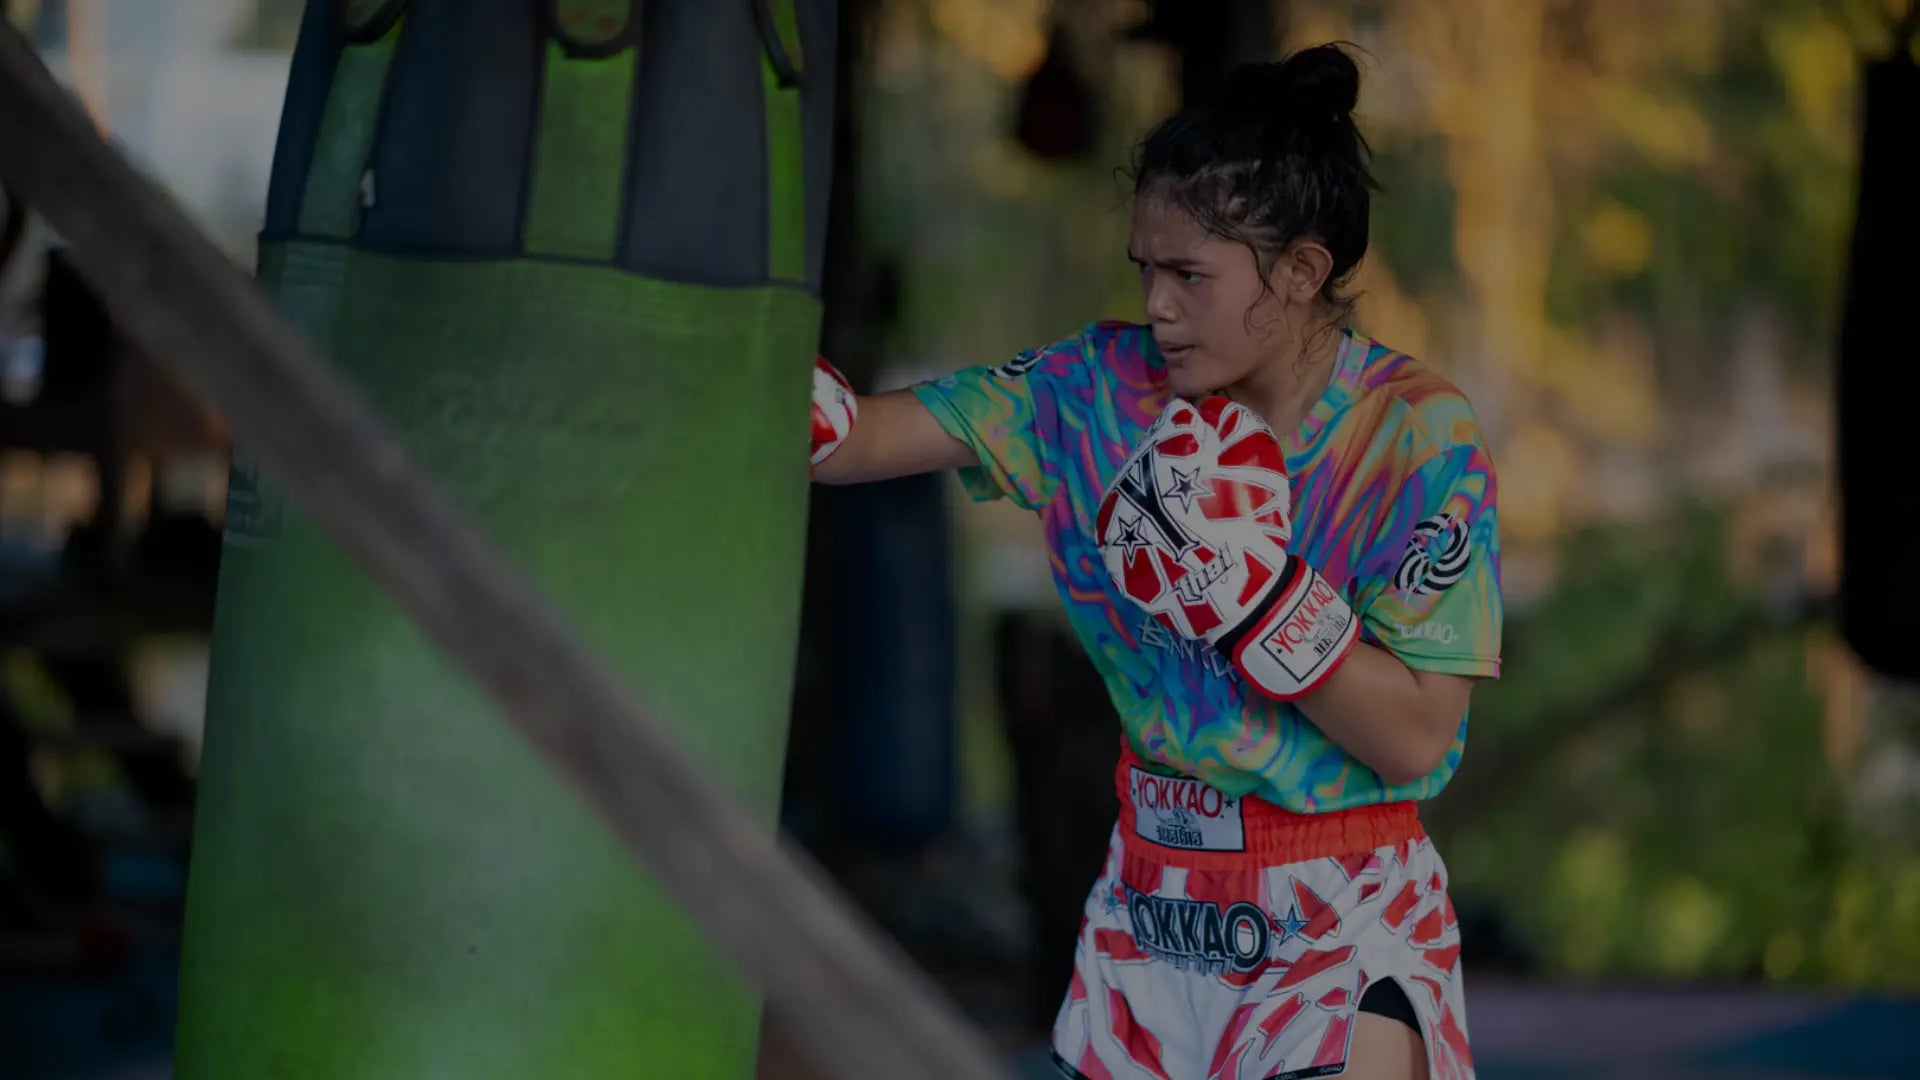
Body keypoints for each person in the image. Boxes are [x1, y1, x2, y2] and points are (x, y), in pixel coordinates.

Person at [811, 43, 1499, 1080]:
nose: (1160, 304)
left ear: (1302, 272)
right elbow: (858, 439)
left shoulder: (1412, 437)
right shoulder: (1095, 391)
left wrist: (1258, 597)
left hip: (1337, 905)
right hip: (1151, 905)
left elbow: (1414, 737)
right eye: (1146, 269)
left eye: (1190, 275)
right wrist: (765, 378)